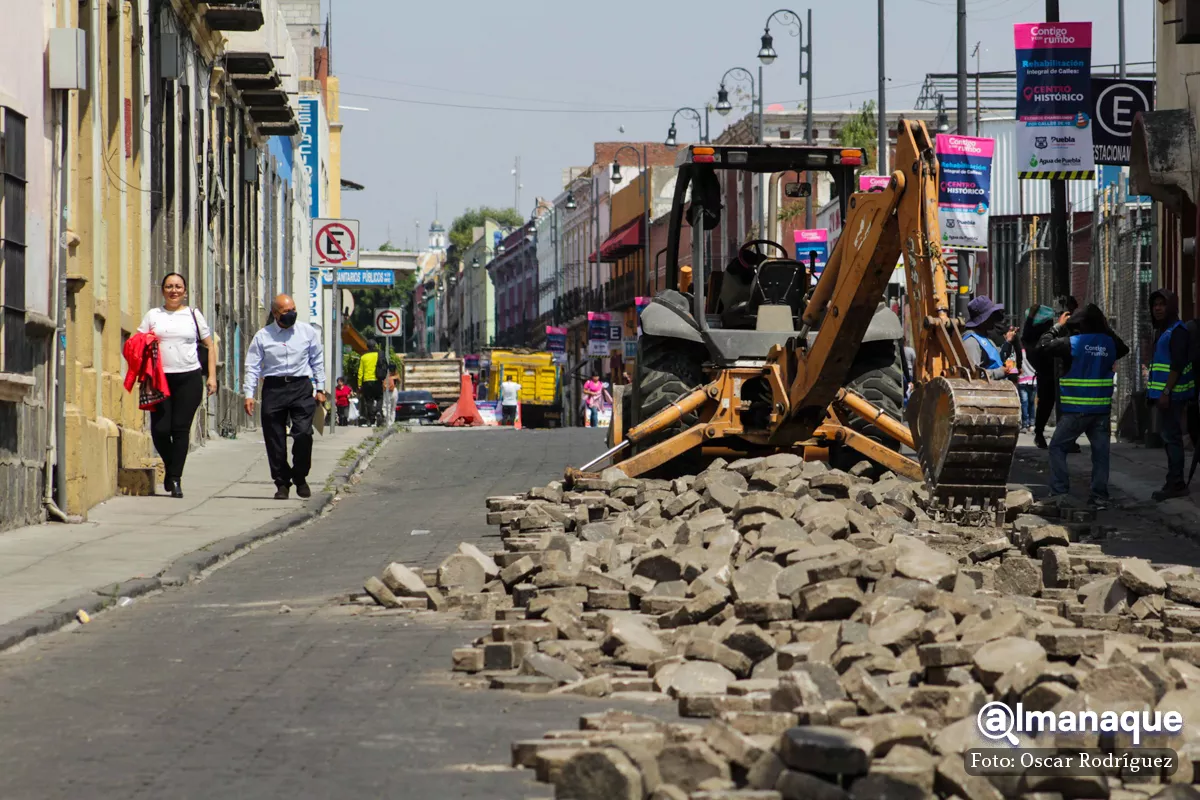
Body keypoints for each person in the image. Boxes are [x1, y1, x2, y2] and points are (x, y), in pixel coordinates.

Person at [135, 273, 218, 498]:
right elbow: (138, 342)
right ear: (162, 290)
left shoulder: (193, 314)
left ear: (185, 291)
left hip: (188, 378)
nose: (174, 290)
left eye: (178, 287)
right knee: (160, 429)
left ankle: (175, 479)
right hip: (160, 379)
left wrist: (211, 376)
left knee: (181, 429)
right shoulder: (153, 315)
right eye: (169, 287)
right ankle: (172, 468)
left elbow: (210, 346)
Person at [1037, 304, 1128, 508]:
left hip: (1076, 410)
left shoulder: (1074, 343)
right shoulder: (1109, 343)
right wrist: (1105, 330)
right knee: (1101, 454)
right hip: (1101, 411)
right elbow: (1124, 348)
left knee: (1057, 447)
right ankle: (1099, 497)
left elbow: (1042, 346)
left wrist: (1058, 326)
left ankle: (1060, 491)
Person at [243, 294, 326, 500]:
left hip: (301, 387)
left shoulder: (307, 332)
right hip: (274, 388)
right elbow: (252, 367)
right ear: (275, 313)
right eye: (286, 311)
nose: (291, 314)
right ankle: (281, 482)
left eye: (293, 309)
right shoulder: (263, 336)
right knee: (275, 439)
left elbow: (317, 359)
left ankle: (300, 475)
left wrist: (321, 388)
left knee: (303, 434)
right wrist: (248, 394)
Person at [1147, 289, 1195, 500]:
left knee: (1172, 439)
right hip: (1165, 395)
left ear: (1171, 307)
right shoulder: (1162, 331)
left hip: (1173, 395)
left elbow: (1177, 364)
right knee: (1169, 439)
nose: (1157, 308)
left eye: (1162, 304)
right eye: (1155, 304)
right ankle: (1173, 481)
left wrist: (1166, 392)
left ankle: (1176, 483)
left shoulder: (1177, 331)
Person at [1023, 303, 1058, 448]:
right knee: (1047, 405)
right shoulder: (1041, 341)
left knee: (1046, 405)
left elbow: (1027, 335)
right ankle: (1040, 433)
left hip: (1049, 375)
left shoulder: (1033, 340)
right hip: (1049, 375)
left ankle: (1040, 432)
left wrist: (1030, 318)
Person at [961, 296, 1009, 380]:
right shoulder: (971, 342)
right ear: (984, 319)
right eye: (991, 315)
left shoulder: (985, 338)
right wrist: (999, 372)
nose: (994, 319)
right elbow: (972, 375)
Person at [357, 340, 384, 426]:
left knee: (369, 400)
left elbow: (360, 372)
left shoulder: (363, 357)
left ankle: (371, 418)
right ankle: (379, 411)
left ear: (367, 347)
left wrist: (359, 384)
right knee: (379, 397)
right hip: (377, 380)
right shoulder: (379, 355)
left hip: (366, 381)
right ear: (375, 346)